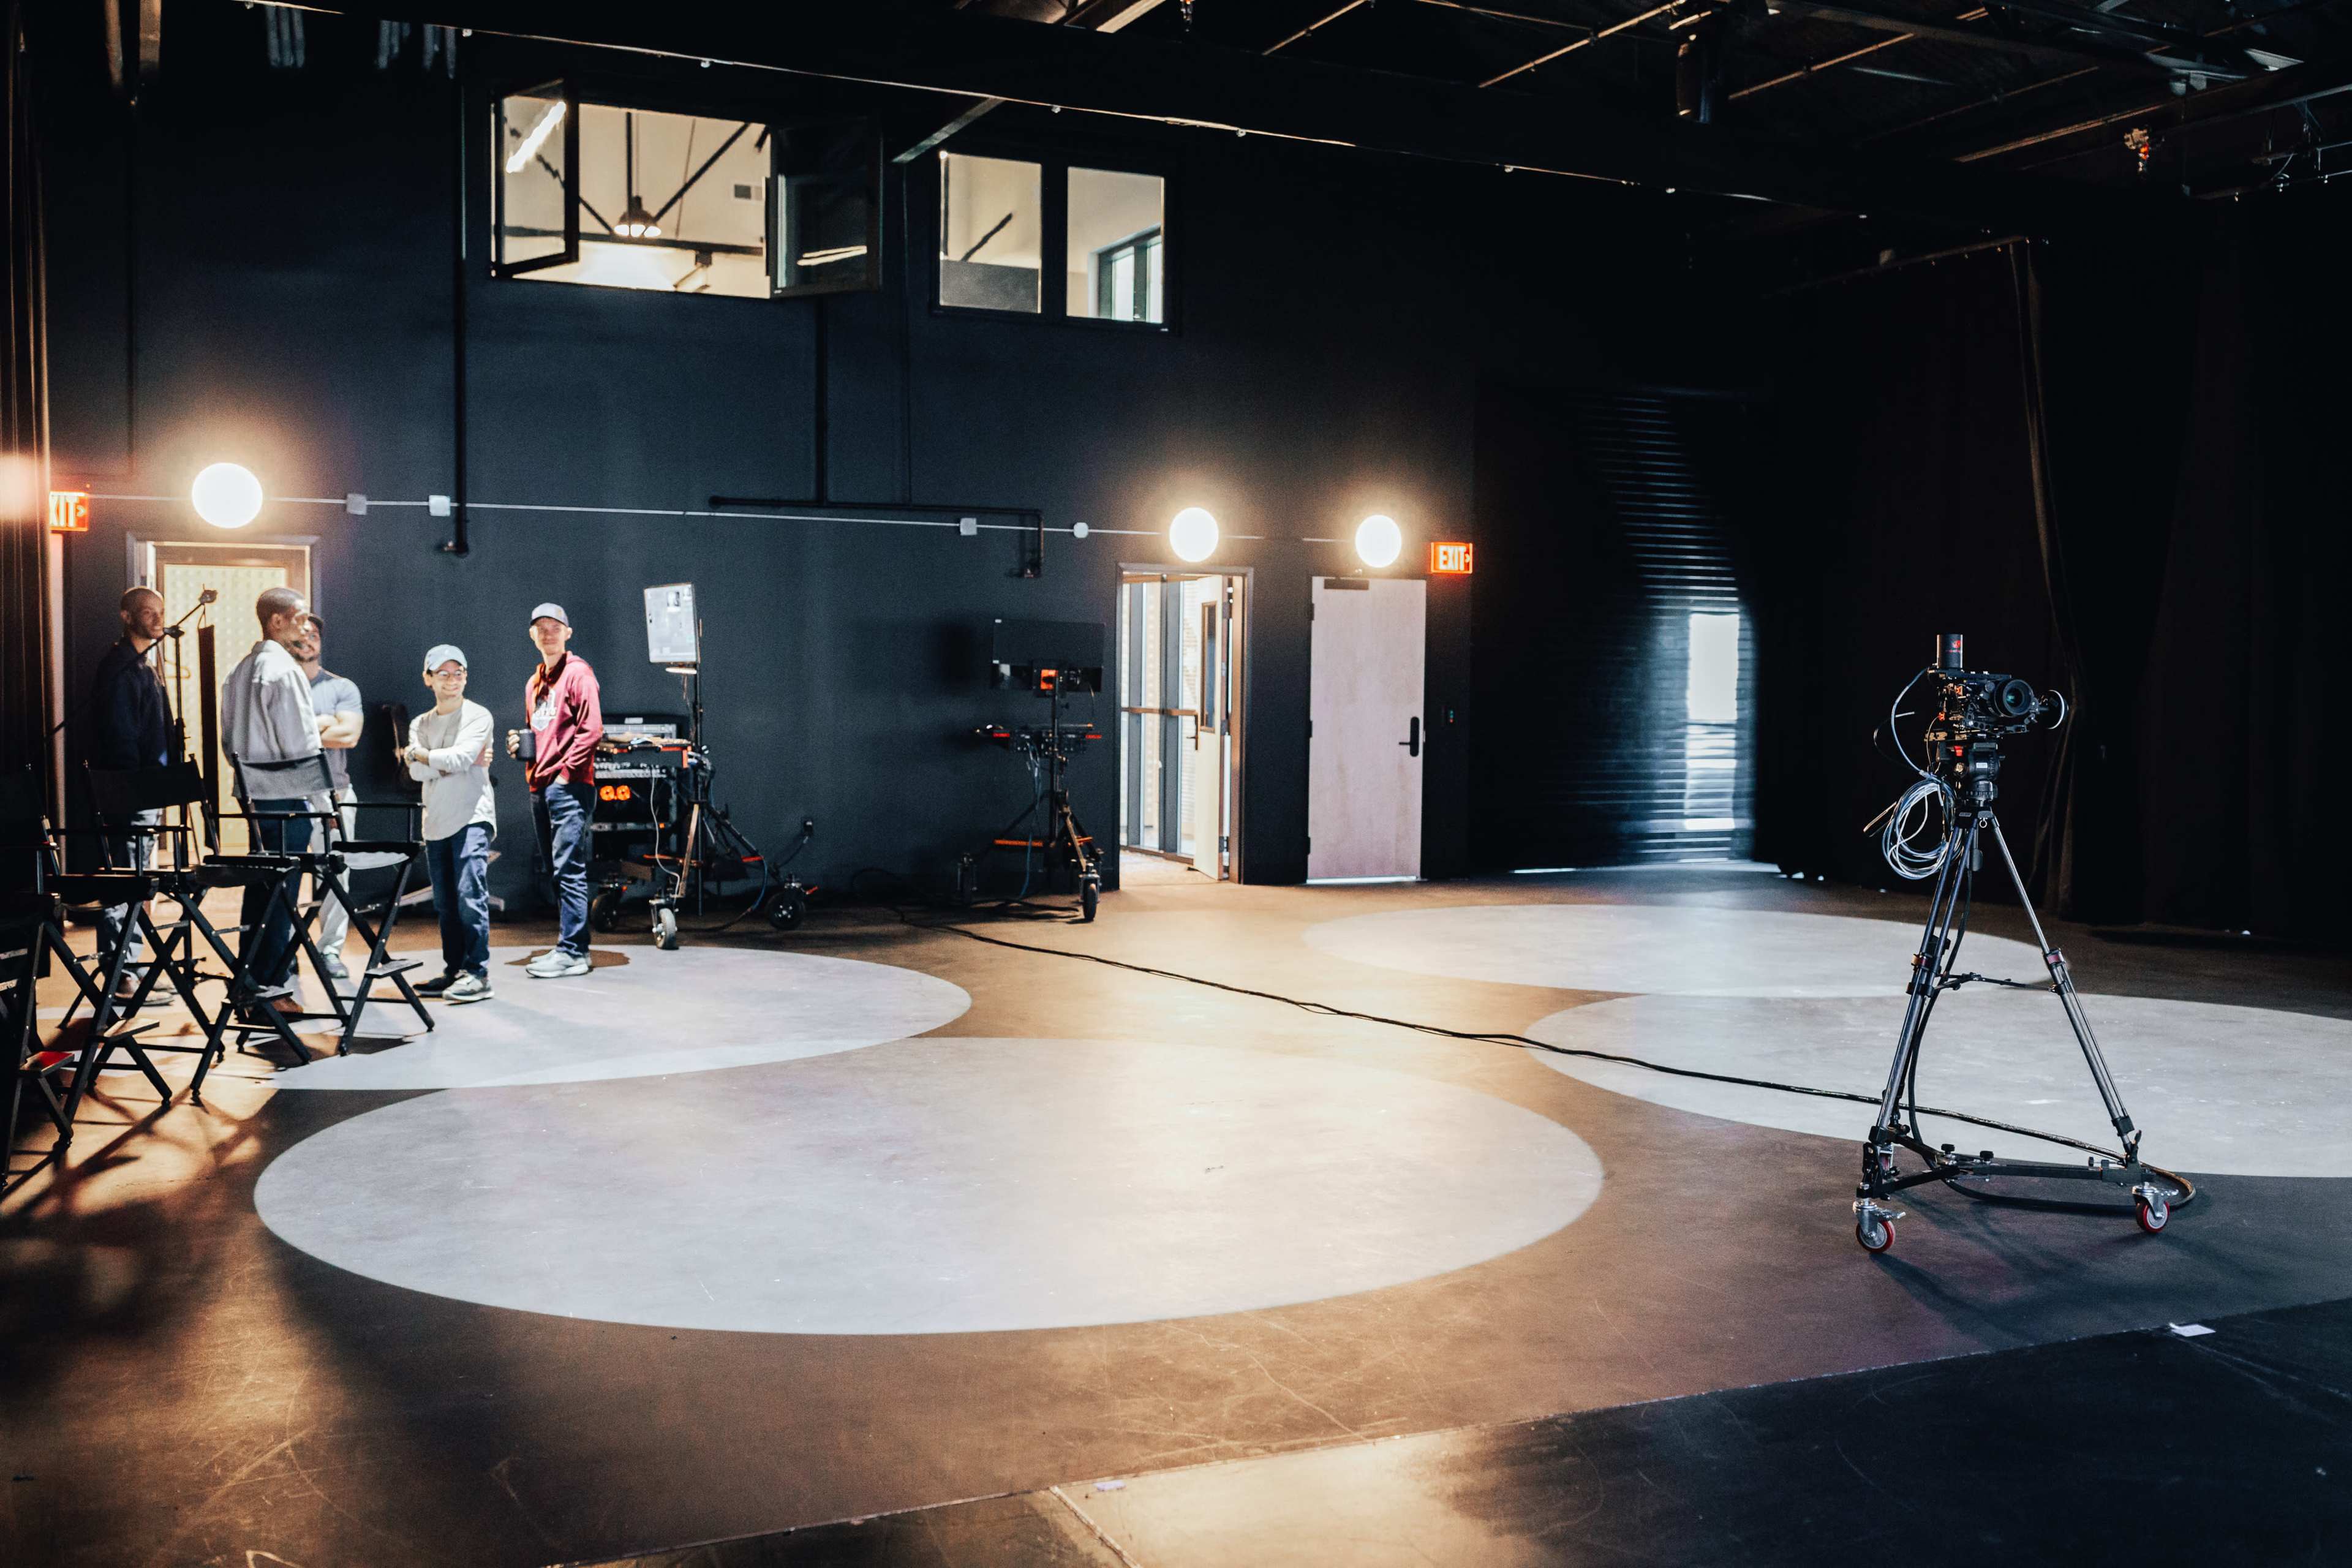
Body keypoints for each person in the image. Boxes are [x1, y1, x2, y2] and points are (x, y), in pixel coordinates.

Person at [219, 585, 321, 1022]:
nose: (307, 626)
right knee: (281, 894)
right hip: (285, 795)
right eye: (300, 618)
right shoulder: (284, 671)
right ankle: (272, 990)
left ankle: (250, 981)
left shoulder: (240, 671)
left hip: (253, 796)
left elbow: (227, 741)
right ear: (276, 621)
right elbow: (301, 743)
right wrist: (322, 804)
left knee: (261, 889)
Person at [508, 603, 601, 979]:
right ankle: (567, 946)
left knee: (568, 868)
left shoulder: (579, 675)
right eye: (540, 628)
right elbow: (542, 732)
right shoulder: (534, 683)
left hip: (568, 787)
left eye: (555, 627)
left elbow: (591, 731)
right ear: (533, 636)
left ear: (568, 633)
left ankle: (575, 953)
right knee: (555, 869)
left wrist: (564, 776)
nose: (548, 633)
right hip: (541, 786)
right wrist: (523, 750)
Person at [88, 586, 170, 995]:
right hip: (128, 791)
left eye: (160, 612)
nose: (157, 619)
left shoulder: (144, 664)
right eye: (147, 612)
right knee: (125, 878)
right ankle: (120, 972)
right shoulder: (121, 665)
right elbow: (121, 734)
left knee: (136, 878)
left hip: (145, 789)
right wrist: (133, 789)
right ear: (126, 616)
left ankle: (130, 966)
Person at [403, 646, 497, 1004]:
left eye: (458, 673)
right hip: (437, 819)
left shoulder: (478, 716)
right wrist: (447, 761)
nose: (452, 680)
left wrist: (423, 755)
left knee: (470, 896)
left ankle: (478, 974)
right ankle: (454, 970)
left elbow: (455, 759)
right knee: (445, 903)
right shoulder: (421, 723)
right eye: (443, 674)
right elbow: (416, 771)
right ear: (428, 679)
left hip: (472, 817)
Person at [293, 613, 364, 982]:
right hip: (289, 794)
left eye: (315, 634)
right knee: (286, 874)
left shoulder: (341, 687)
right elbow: (276, 739)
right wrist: (324, 724)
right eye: (302, 633)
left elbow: (349, 735)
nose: (309, 639)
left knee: (338, 873)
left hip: (336, 792)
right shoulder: (281, 686)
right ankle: (285, 949)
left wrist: (304, 730)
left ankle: (330, 949)